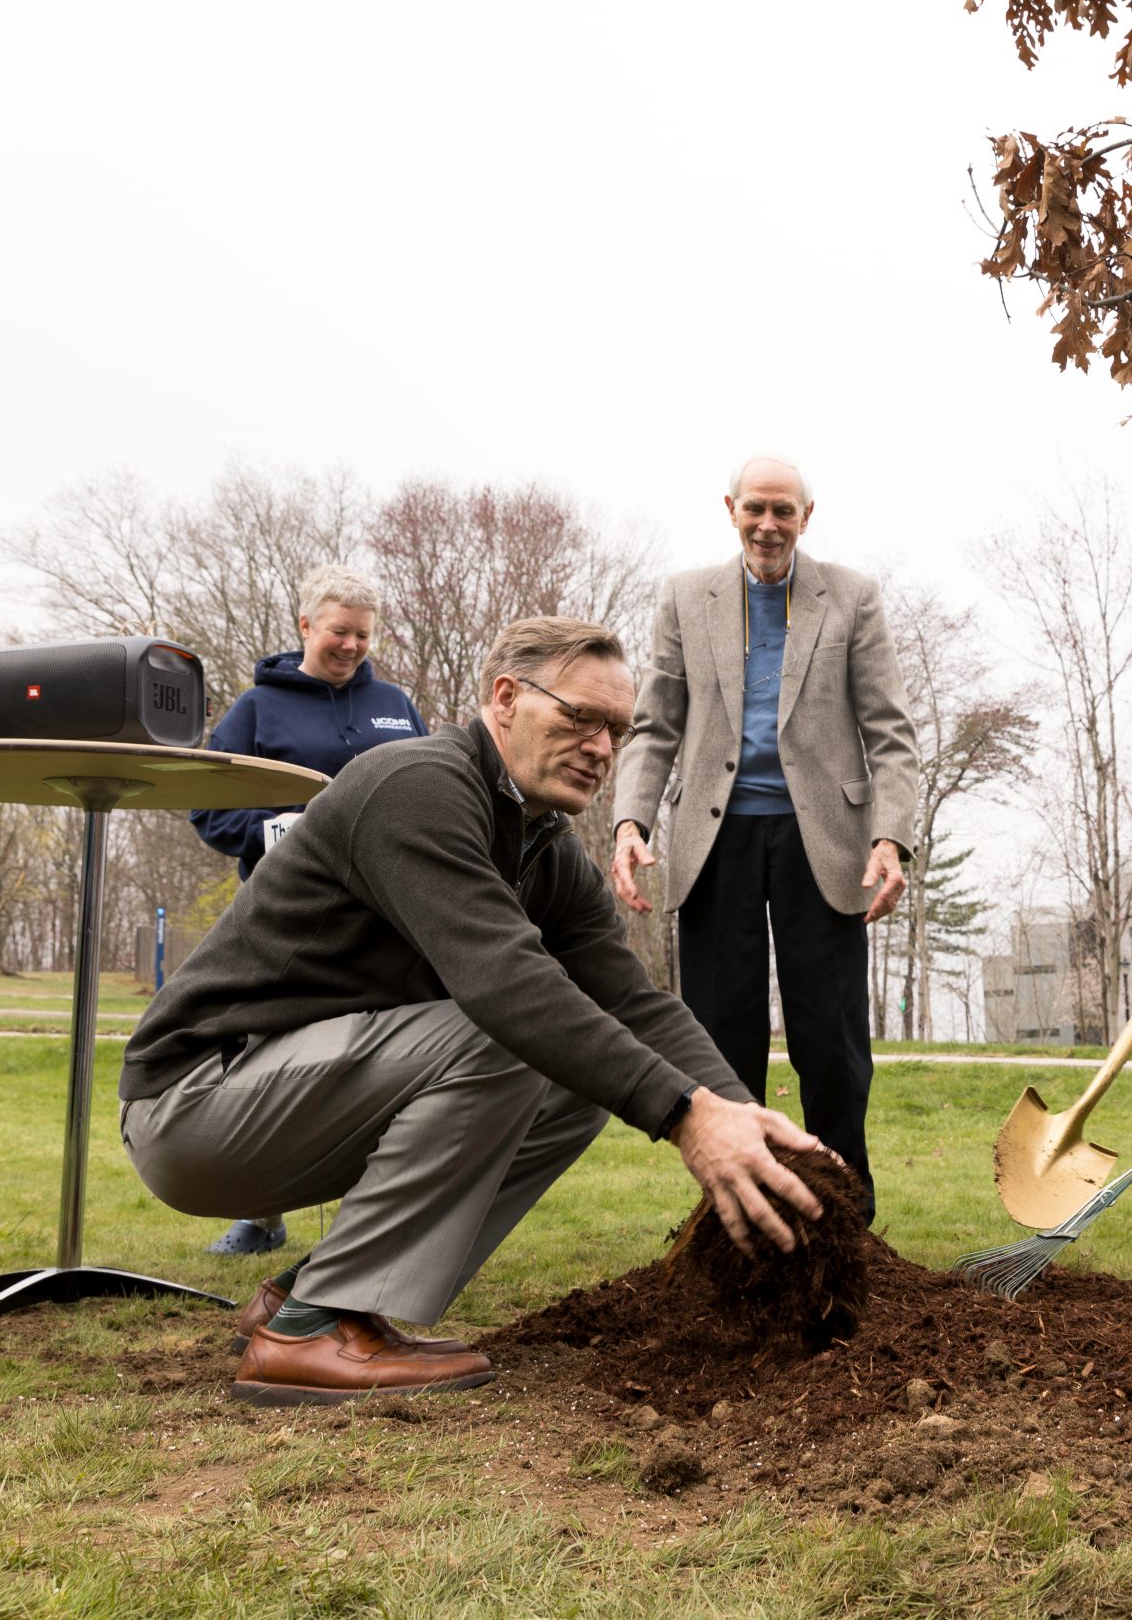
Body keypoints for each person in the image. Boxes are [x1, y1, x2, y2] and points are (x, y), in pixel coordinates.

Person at [122, 617, 825, 1405]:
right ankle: (311, 1333)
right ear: (505, 699)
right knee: (513, 1032)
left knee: (578, 1084)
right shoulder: (415, 787)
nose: (601, 747)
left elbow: (632, 1003)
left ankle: (303, 1295)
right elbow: (506, 985)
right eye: (580, 718)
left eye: (618, 731)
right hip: (195, 1104)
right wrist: (684, 1118)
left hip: (291, 1099)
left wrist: (744, 1124)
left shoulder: (544, 848)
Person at [609, 456, 919, 1219]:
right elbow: (655, 726)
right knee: (718, 1044)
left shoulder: (852, 597)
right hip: (716, 845)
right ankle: (733, 1213)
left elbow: (891, 733)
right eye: (756, 509)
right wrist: (629, 820)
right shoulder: (687, 598)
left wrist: (890, 839)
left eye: (784, 511)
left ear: (806, 516)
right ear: (731, 509)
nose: (768, 524)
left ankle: (847, 1215)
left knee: (833, 1047)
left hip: (826, 843)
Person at [186, 563, 428, 1255]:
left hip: (387, 918)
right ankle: (262, 1216)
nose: (351, 646)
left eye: (362, 635)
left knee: (381, 1064)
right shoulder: (255, 711)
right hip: (288, 920)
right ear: (304, 627)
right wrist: (283, 833)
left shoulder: (395, 705)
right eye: (338, 632)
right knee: (276, 1062)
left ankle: (370, 1219)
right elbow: (208, 809)